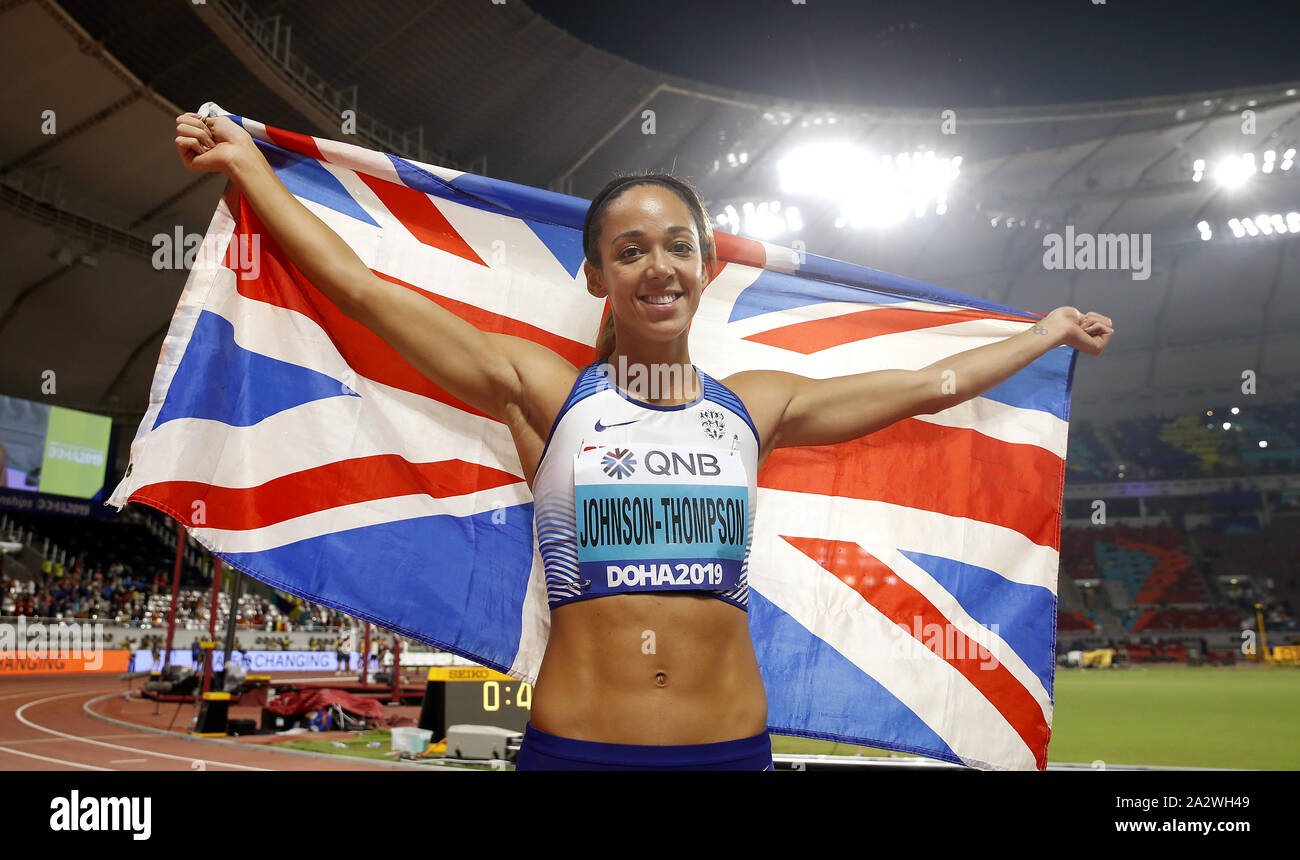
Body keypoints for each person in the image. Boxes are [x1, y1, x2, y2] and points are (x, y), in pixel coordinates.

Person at [174, 110, 1114, 770]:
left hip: (730, 745)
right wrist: (249, 168)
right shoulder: (547, 393)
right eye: (630, 250)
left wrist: (1042, 335)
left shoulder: (761, 404)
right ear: (596, 276)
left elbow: (921, 386)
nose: (657, 265)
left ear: (704, 266)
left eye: (677, 245)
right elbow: (370, 295)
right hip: (578, 747)